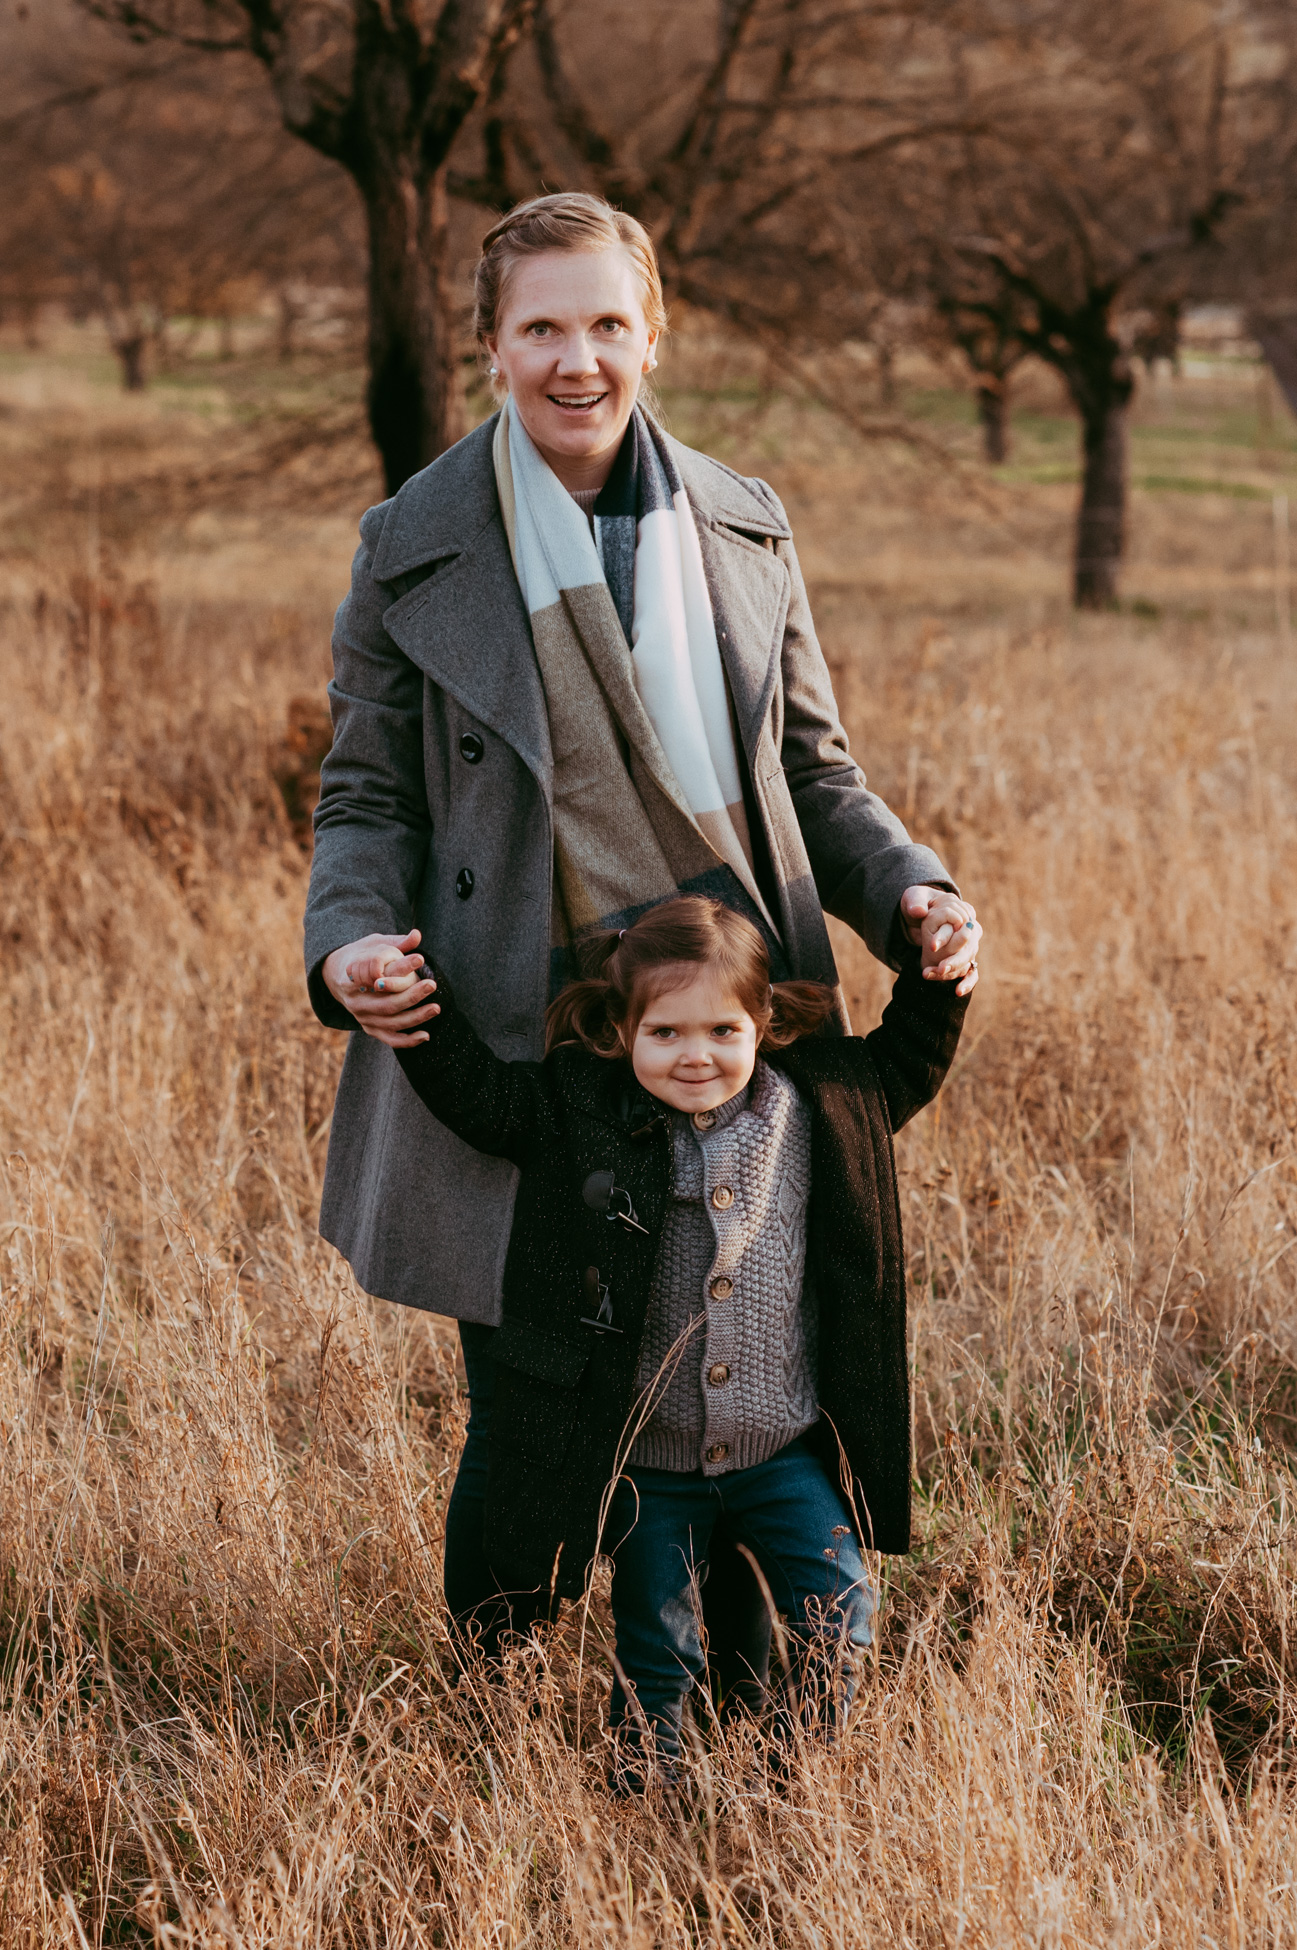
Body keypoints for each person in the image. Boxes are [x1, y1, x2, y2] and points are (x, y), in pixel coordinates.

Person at [303, 190, 982, 1678]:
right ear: (489, 344)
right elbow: (361, 795)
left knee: (746, 1364)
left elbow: (816, 771)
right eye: (539, 324)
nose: (576, 358)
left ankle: (733, 1703)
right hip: (521, 1029)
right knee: (543, 1389)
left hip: (732, 1014)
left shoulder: (744, 523)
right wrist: (350, 942)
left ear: (652, 334)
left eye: (607, 322)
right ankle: (499, 1674)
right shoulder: (409, 542)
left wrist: (911, 889)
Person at [345, 893, 970, 1783]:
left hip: (781, 1454)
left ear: (763, 1021)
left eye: (722, 1029)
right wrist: (416, 1004)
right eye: (666, 1034)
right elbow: (482, 1099)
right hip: (651, 1470)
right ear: (621, 1031)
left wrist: (939, 980)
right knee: (657, 1651)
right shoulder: (579, 1116)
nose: (696, 1057)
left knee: (841, 1609)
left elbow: (908, 1058)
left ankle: (789, 1774)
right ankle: (648, 1788)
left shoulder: (815, 1103)